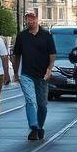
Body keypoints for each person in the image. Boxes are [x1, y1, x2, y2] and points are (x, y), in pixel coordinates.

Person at [12, 11, 56, 141]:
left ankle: (40, 126)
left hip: (42, 76)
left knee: (42, 105)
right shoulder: (22, 36)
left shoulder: (46, 35)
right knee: (30, 101)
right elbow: (16, 55)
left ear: (37, 18)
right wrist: (15, 73)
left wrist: (49, 70)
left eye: (32, 18)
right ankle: (33, 127)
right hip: (27, 74)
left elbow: (52, 55)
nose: (30, 21)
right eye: (27, 18)